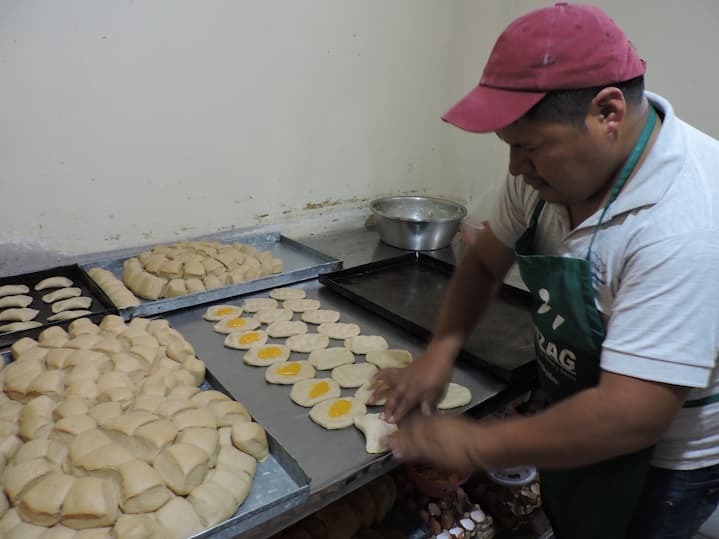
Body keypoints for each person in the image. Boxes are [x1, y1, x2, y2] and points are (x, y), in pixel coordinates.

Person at [371, 3, 719, 538]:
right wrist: (440, 353)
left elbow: (632, 414)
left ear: (608, 113)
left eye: (529, 148)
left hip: (667, 459)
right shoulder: (544, 176)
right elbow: (485, 263)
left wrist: (475, 442)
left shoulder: (684, 220)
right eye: (510, 147)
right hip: (578, 408)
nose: (515, 168)